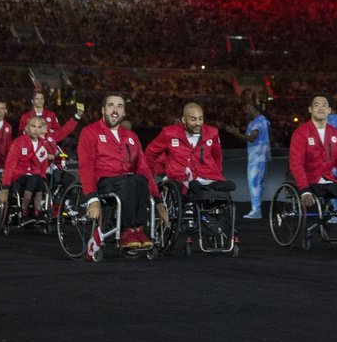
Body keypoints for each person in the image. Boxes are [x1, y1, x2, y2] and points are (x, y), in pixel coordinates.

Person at [77, 94, 168, 249]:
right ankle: (127, 230)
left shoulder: (131, 136)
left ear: (124, 112)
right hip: (104, 181)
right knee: (129, 183)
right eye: (111, 105)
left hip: (127, 181)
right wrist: (92, 198)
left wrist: (158, 201)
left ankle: (138, 230)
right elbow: (86, 166)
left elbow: (144, 169)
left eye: (119, 107)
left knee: (140, 180)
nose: (115, 110)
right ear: (103, 110)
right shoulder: (90, 132)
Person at [288, 95, 337, 216]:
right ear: (310, 109)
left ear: (329, 110)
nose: (321, 109)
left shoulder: (334, 132)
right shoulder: (301, 133)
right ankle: (334, 218)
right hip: (310, 180)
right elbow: (296, 163)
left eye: (324, 106)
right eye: (317, 105)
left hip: (330, 176)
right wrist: (304, 190)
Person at [145, 102, 235, 198]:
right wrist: (149, 176)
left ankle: (207, 186)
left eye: (201, 118)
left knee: (229, 185)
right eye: (193, 119)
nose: (198, 123)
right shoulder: (169, 133)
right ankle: (201, 187)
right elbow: (150, 153)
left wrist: (216, 172)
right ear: (184, 119)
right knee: (190, 186)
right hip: (179, 178)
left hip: (206, 176)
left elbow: (217, 156)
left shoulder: (212, 132)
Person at [224, 101, 270, 219]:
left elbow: (251, 138)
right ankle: (256, 209)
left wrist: (235, 133)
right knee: (258, 183)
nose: (245, 111)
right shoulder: (259, 121)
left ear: (254, 109)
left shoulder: (258, 122)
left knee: (254, 183)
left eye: (248, 108)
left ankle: (256, 211)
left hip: (258, 157)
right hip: (259, 156)